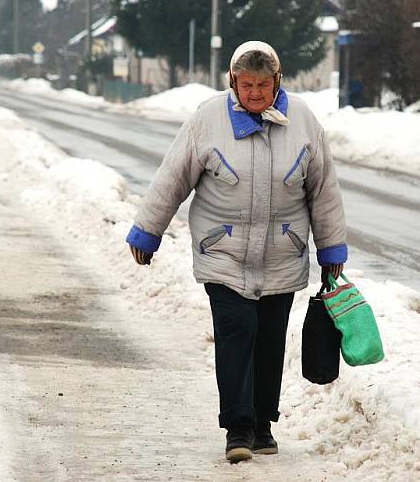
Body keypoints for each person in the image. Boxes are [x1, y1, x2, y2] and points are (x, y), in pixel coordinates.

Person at [126, 41, 347, 463]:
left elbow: (323, 190)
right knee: (236, 331)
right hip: (222, 252)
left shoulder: (302, 121)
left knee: (269, 339)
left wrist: (331, 248)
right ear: (232, 81)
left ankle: (263, 425)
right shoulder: (207, 120)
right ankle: (238, 428)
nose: (256, 93)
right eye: (247, 85)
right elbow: (173, 176)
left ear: (278, 82)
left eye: (264, 85)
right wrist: (146, 232)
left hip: (283, 253)